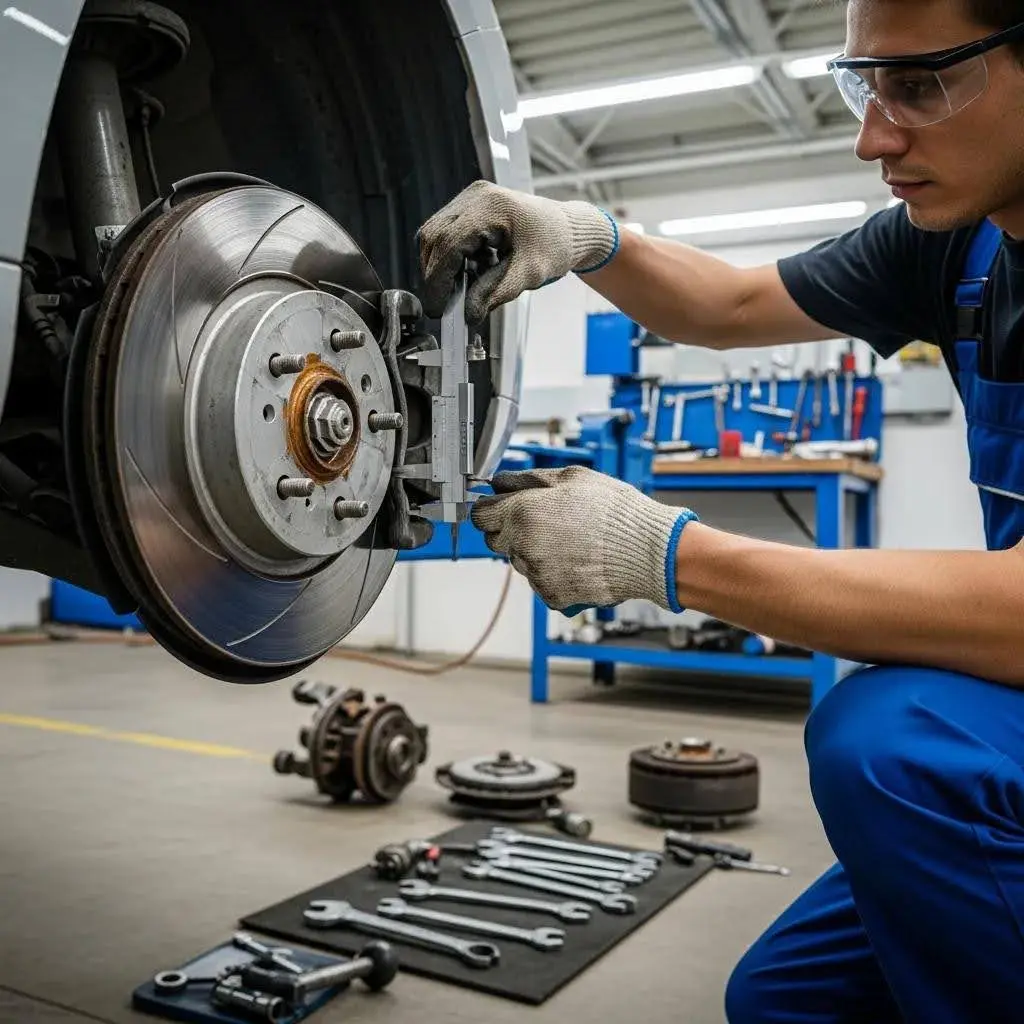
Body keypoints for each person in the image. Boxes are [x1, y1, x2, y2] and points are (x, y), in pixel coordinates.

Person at [416, 1, 1024, 1021]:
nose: (873, 135)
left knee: (887, 742)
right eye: (864, 85)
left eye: (918, 85)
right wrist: (586, 235)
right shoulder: (954, 246)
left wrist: (661, 554)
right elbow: (728, 306)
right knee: (782, 1000)